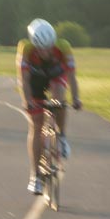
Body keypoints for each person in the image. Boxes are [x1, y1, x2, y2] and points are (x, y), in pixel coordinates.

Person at [16, 18, 82, 195]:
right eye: (41, 48)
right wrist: (27, 100)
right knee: (36, 124)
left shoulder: (63, 47)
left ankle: (61, 136)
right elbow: (24, 80)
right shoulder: (26, 48)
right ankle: (35, 175)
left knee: (59, 97)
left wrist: (76, 98)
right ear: (34, 44)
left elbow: (72, 76)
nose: (46, 52)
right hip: (35, 79)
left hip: (55, 75)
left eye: (49, 47)